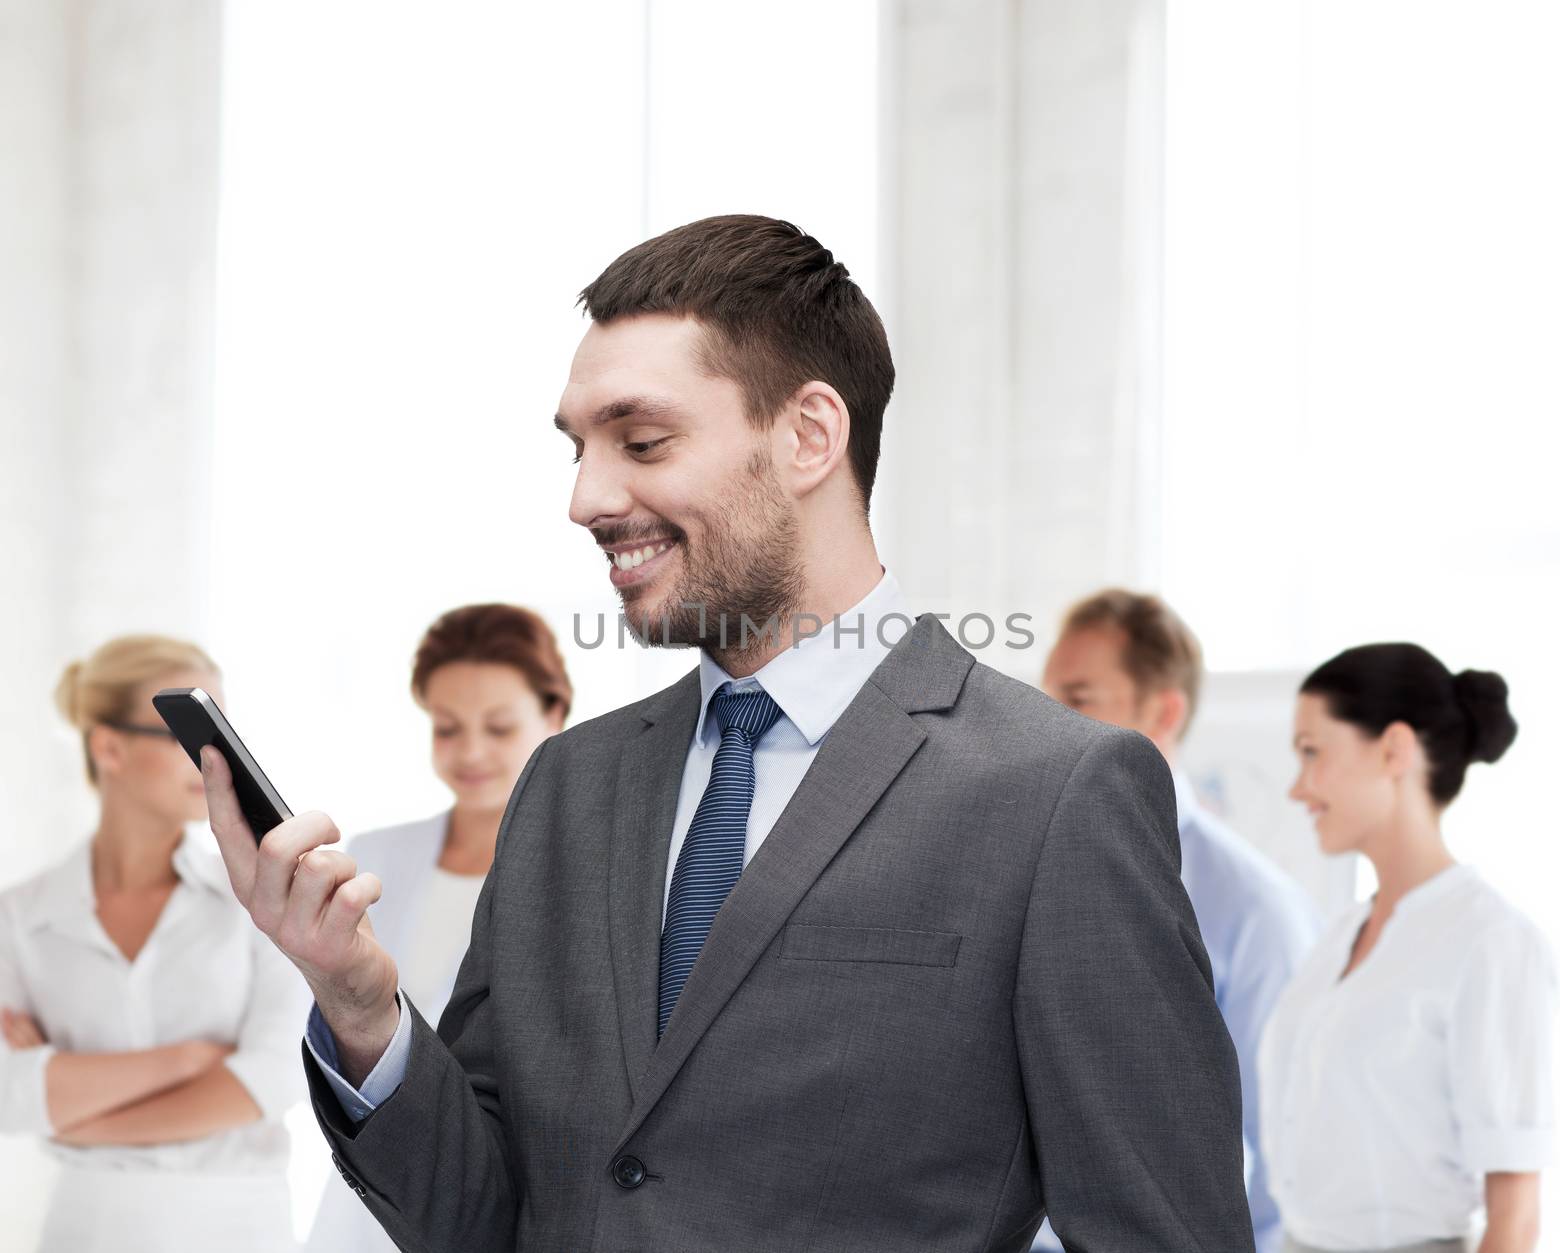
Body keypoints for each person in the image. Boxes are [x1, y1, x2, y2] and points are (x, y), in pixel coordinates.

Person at [200, 215, 1253, 1251]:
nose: (585, 497)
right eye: (577, 449)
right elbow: (484, 1215)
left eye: (641, 440)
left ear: (807, 436)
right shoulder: (570, 783)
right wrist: (359, 1002)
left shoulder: (1051, 790)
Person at [0, 635, 306, 1253]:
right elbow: (8, 1097)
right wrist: (189, 1060)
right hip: (83, 1229)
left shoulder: (263, 897)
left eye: (222, 732)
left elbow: (272, 1079)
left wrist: (74, 1113)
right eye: (186, 733)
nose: (214, 759)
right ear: (108, 746)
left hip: (237, 1226)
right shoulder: (19, 919)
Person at [1035, 589, 1320, 1253]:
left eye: (1077, 698)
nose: (1044, 722)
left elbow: (1286, 1155)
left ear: (1163, 711)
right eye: (1042, 697)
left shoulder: (1253, 910)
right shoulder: (1009, 865)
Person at [1261, 644, 1553, 1253]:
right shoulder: (1340, 935)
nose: (1297, 788)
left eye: (1312, 752)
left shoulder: (1490, 941)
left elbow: (1516, 1218)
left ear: (1394, 749)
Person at [305, 603, 569, 1253]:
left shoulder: (583, 869)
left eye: (499, 727)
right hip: (366, 1198)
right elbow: (319, 1027)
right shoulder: (375, 856)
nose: (471, 751)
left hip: (499, 1199)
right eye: (447, 728)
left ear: (555, 716)